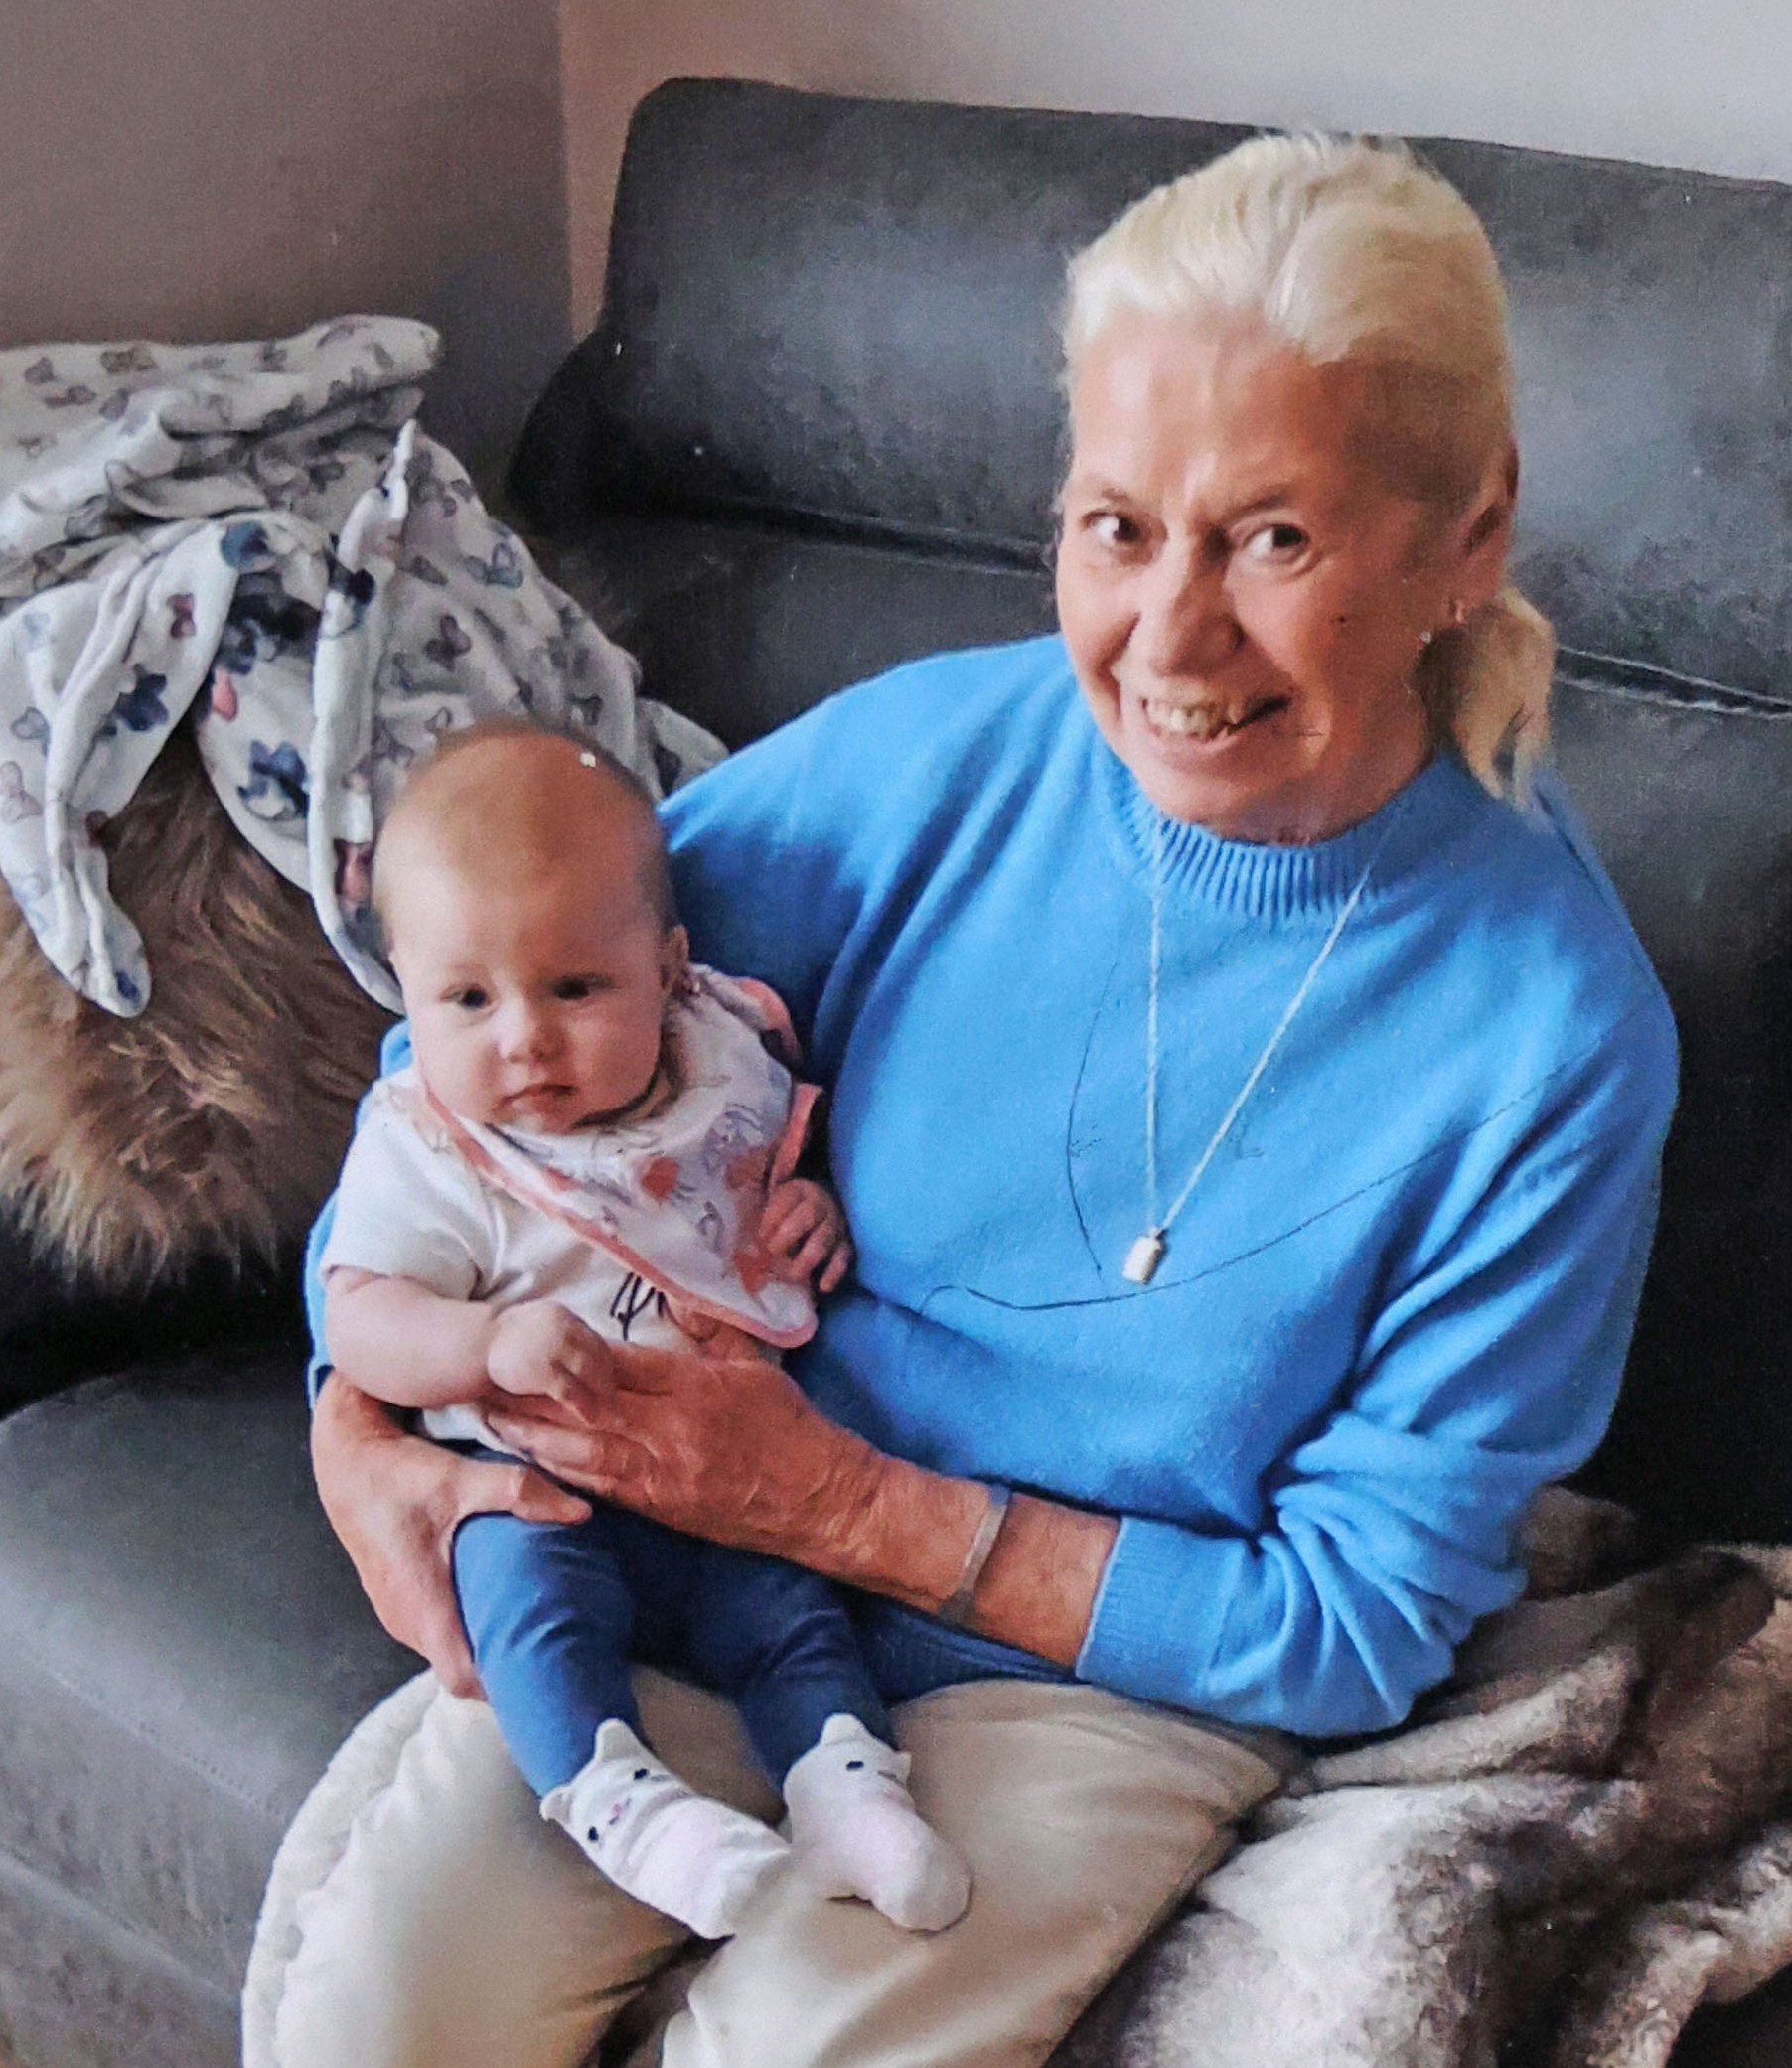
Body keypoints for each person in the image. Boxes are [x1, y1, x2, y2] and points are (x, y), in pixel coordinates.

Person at [274, 133, 1679, 2068]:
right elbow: (463, 1067)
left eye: (1268, 537)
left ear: (1465, 536)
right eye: (1115, 525)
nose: (1165, 641)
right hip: (704, 1536)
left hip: (1097, 1677)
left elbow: (1349, 1627)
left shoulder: (1545, 1040)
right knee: (384, 2002)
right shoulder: (941, 761)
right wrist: (358, 1418)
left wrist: (848, 1505)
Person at [318, 724, 971, 1940]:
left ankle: (848, 1789)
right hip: (533, 1480)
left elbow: (767, 1181)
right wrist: (482, 1345)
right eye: (466, 998)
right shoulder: (428, 1145)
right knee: (524, 1606)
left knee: (793, 1615)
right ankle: (621, 1804)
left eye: (576, 988)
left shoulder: (718, 1063)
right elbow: (360, 1322)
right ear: (408, 992)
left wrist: (808, 1209)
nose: (523, 1039)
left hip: (729, 1476)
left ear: (669, 971)